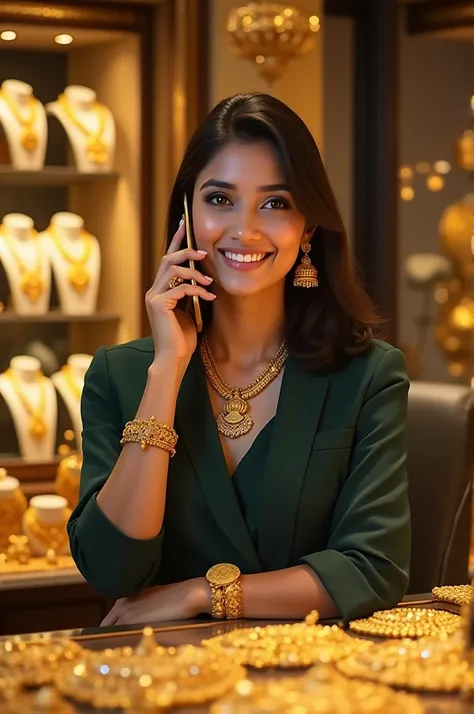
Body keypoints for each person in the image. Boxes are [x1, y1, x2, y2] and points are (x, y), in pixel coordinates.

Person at [68, 92, 411, 627]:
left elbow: (372, 568)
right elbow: (112, 571)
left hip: (316, 689)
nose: (245, 230)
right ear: (186, 212)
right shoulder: (121, 374)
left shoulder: (369, 375)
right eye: (220, 199)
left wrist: (199, 594)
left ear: (308, 230)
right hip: (165, 689)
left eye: (275, 203)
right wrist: (166, 371)